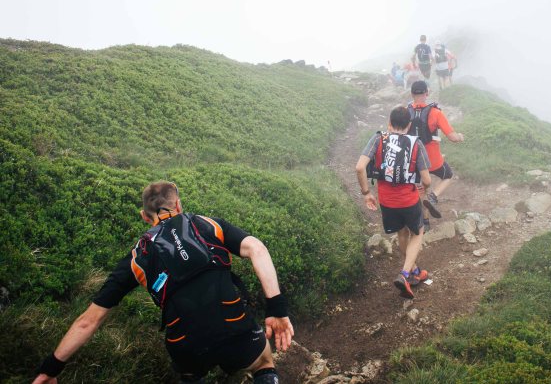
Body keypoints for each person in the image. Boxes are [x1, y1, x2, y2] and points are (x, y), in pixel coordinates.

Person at [33, 181, 293, 384]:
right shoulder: (207, 225)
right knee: (262, 363)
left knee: (190, 373)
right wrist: (276, 309)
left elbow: (89, 321)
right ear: (178, 205)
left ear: (145, 217)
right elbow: (257, 249)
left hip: (186, 348)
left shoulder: (135, 259)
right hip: (235, 329)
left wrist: (51, 368)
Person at [355, 106, 432, 299]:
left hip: (387, 202)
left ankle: (414, 271)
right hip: (408, 199)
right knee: (418, 232)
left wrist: (366, 193)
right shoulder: (416, 144)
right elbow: (427, 180)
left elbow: (359, 167)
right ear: (409, 125)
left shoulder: (378, 138)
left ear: (389, 123)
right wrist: (425, 187)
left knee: (402, 232)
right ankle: (405, 274)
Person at [407, 81, 464, 228]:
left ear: (412, 94)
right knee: (448, 175)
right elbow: (452, 137)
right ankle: (433, 197)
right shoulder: (435, 112)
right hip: (433, 160)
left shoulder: (404, 111)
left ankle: (424, 222)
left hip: (413, 161)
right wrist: (460, 136)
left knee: (422, 189)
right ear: (427, 93)